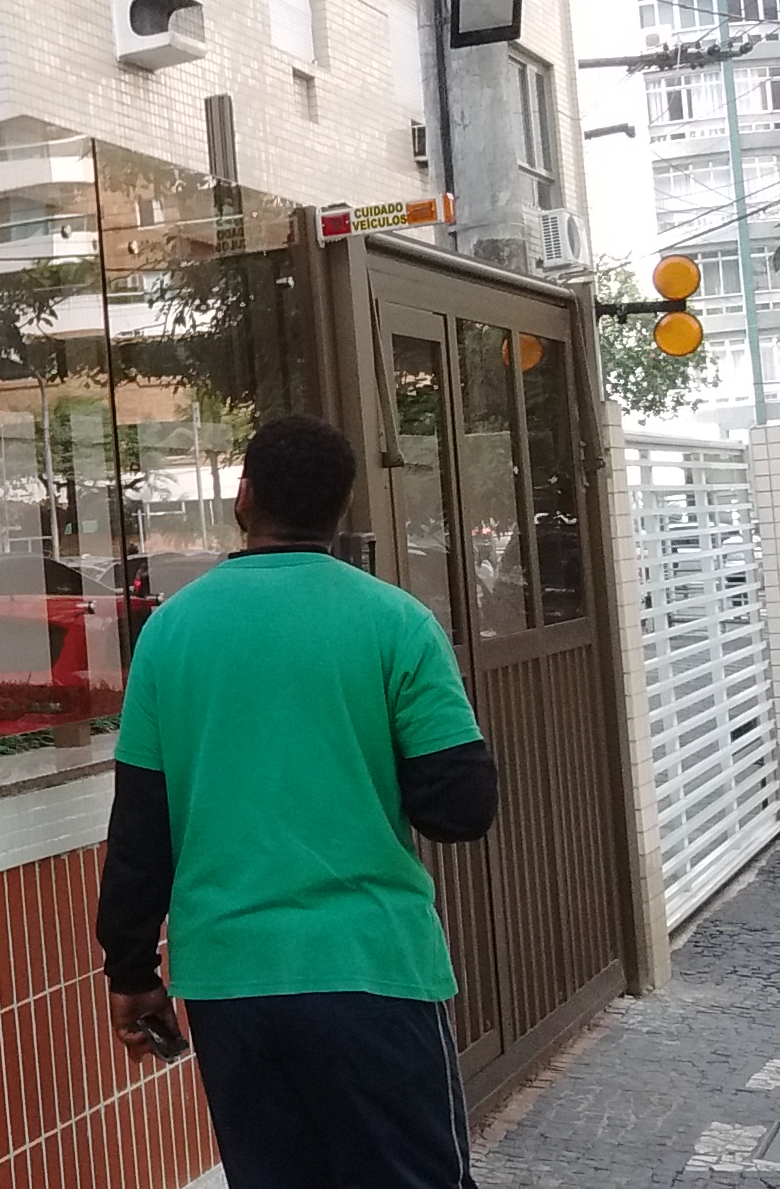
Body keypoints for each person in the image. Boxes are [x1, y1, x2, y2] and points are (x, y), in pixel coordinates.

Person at [94, 413, 498, 1188]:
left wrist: (132, 970)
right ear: (342, 508)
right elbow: (461, 809)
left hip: (230, 983)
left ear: (243, 497)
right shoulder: (396, 624)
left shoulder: (170, 633)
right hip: (373, 969)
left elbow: (140, 823)